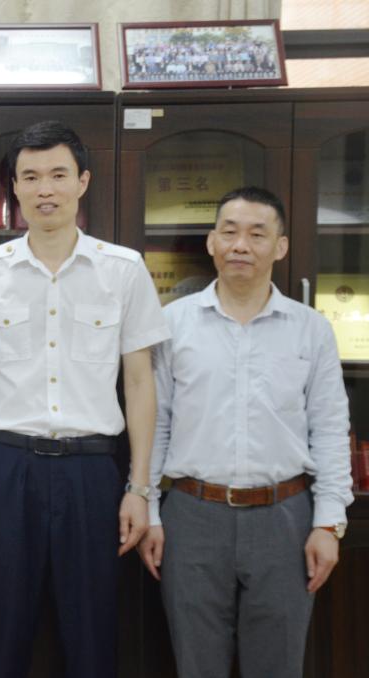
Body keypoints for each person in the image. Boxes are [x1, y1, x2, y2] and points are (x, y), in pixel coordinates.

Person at [0, 120, 169, 678]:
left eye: (59, 175)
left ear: (83, 182)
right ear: (14, 188)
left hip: (92, 474)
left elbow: (140, 383)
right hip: (7, 470)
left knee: (92, 637)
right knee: (2, 631)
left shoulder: (123, 269)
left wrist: (140, 488)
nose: (46, 189)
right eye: (31, 176)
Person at [137, 186, 352, 678]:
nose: (241, 245)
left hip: (285, 518)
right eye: (229, 232)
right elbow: (155, 425)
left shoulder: (311, 329)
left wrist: (328, 524)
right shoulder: (172, 325)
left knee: (277, 666)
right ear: (211, 241)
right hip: (192, 516)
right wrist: (150, 512)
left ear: (280, 246)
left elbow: (329, 429)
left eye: (257, 234)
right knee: (196, 665)